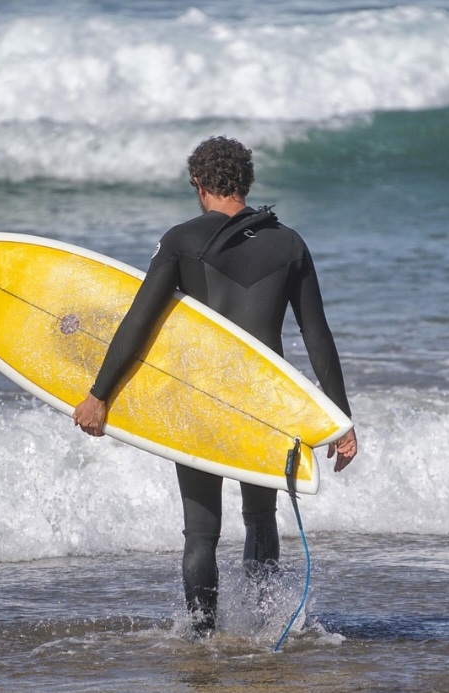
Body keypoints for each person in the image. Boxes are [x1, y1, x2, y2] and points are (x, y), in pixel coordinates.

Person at [73, 135, 357, 636]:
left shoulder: (181, 240)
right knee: (261, 518)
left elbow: (138, 323)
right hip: (263, 404)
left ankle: (201, 640)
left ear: (198, 184)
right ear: (246, 181)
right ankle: (265, 629)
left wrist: (100, 395)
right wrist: (341, 420)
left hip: (198, 400)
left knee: (201, 534)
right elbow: (317, 335)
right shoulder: (289, 243)